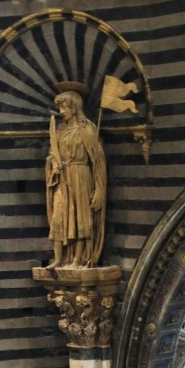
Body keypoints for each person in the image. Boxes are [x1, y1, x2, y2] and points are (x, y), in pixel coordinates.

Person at [46, 87, 107, 268]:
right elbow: (52, 153)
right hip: (63, 178)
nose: (61, 111)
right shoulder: (60, 130)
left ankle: (77, 259)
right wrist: (53, 163)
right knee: (58, 216)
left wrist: (99, 189)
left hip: (81, 176)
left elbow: (98, 161)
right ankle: (59, 259)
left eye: (64, 107)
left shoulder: (87, 129)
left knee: (80, 217)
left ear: (74, 107)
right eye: (60, 108)